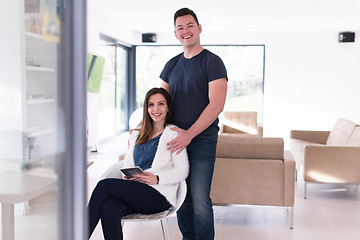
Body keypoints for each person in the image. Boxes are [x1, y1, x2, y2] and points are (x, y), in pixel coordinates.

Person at [160, 7, 228, 240]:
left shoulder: (213, 62)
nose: (186, 31)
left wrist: (189, 134)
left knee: (200, 200)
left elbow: (216, 105)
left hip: (202, 141)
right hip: (176, 143)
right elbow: (158, 105)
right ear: (176, 34)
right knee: (183, 198)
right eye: (180, 28)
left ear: (199, 28)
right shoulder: (171, 65)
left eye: (190, 26)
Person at [87, 87, 189, 240]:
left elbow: (182, 170)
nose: (156, 109)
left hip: (159, 195)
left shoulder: (173, 134)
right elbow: (127, 165)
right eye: (150, 104)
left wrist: (157, 178)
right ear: (146, 108)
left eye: (161, 104)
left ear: (168, 107)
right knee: (109, 208)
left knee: (104, 185)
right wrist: (129, 178)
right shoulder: (136, 135)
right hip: (136, 192)